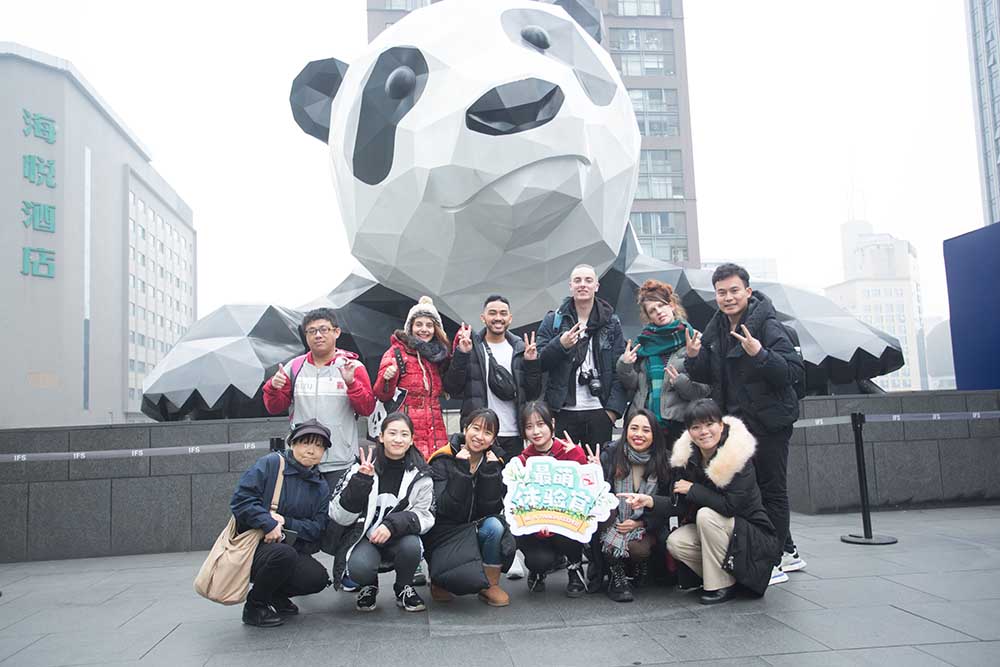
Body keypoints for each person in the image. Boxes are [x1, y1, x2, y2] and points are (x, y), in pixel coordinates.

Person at [683, 263, 806, 584]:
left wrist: (760, 353)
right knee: (747, 492)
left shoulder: (769, 326)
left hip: (768, 424)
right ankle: (786, 550)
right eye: (721, 292)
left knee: (772, 490)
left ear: (748, 292)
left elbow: (793, 372)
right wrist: (693, 357)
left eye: (734, 290)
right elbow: (705, 375)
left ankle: (773, 559)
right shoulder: (715, 329)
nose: (728, 297)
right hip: (734, 428)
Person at [621, 399, 780, 605]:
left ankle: (719, 585)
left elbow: (732, 506)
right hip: (721, 534)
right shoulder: (688, 460)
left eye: (709, 424)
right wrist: (649, 500)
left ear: (721, 425)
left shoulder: (738, 457)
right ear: (689, 432)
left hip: (750, 536)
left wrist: (694, 489)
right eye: (696, 427)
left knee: (706, 515)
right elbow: (679, 505)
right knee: (676, 542)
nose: (704, 432)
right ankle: (732, 579)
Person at [262, 307, 376, 495]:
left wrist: (351, 383)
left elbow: (367, 408)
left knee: (337, 518)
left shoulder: (352, 366)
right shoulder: (295, 366)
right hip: (302, 458)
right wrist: (273, 387)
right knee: (302, 515)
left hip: (341, 459)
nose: (318, 335)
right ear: (306, 336)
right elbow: (275, 407)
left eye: (324, 329)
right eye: (312, 331)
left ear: (336, 332)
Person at [231, 419, 333, 627]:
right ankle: (255, 606)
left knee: (317, 578)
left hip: (290, 547)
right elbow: (241, 500)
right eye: (306, 443)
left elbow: (317, 528)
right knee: (282, 554)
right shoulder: (271, 464)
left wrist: (286, 522)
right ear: (292, 443)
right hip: (254, 546)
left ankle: (274, 595)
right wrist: (268, 523)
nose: (312, 450)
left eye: (319, 446)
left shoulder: (320, 486)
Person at [329, 412, 434, 612]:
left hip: (399, 537)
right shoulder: (360, 467)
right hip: (365, 539)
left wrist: (391, 525)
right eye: (392, 433)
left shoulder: (421, 474)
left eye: (404, 434)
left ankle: (404, 587)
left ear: (412, 440)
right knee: (359, 567)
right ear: (381, 436)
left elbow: (426, 516)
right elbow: (338, 515)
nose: (397, 439)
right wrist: (361, 482)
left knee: (412, 547)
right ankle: (369, 586)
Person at [424, 408, 513, 606]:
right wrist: (461, 470)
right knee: (446, 585)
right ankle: (438, 578)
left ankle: (490, 584)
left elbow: (490, 509)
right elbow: (446, 507)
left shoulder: (494, 462)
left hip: (473, 526)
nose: (480, 437)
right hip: (444, 531)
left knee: (495, 526)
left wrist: (490, 474)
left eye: (488, 433)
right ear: (465, 428)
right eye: (476, 428)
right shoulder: (442, 459)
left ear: (493, 439)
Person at [442, 295, 542, 464]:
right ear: (483, 318)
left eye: (503, 313)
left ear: (510, 318)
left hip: (513, 433)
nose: (498, 318)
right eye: (492, 313)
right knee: (478, 486)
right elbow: (452, 387)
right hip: (479, 436)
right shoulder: (472, 347)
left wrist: (532, 364)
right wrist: (462, 354)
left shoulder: (519, 349)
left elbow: (533, 393)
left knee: (509, 485)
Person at [535, 264, 627, 447]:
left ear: (597, 286)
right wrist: (560, 345)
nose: (582, 285)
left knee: (597, 470)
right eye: (577, 280)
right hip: (562, 410)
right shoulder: (554, 320)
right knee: (564, 470)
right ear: (570, 286)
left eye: (588, 280)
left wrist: (612, 412)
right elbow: (539, 363)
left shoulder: (611, 323)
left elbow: (619, 370)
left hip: (599, 410)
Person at [588, 408, 673, 603]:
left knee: (638, 550)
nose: (639, 435)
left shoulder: (665, 461)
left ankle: (638, 565)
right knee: (605, 515)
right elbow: (598, 498)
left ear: (655, 434)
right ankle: (615, 573)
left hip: (644, 525)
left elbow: (668, 506)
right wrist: (595, 472)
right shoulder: (610, 454)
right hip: (613, 523)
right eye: (634, 428)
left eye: (646, 430)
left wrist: (640, 524)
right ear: (625, 430)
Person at [617, 279, 710, 445]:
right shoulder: (643, 343)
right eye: (652, 310)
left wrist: (680, 382)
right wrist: (625, 365)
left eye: (662, 305)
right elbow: (633, 386)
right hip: (645, 423)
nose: (659, 312)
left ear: (672, 305)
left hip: (679, 424)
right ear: (648, 317)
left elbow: (704, 391)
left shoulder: (694, 339)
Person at [514, 401, 589, 597]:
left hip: (567, 524)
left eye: (541, 424)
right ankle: (539, 570)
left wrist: (584, 461)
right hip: (537, 529)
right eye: (529, 427)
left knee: (574, 525)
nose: (536, 431)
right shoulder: (522, 461)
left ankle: (575, 568)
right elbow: (519, 503)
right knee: (539, 560)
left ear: (552, 424)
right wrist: (536, 526)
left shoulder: (571, 453)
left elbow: (586, 493)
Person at [373, 296, 451, 462]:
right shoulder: (396, 353)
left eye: (429, 325)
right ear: (410, 327)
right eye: (419, 324)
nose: (424, 329)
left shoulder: (439, 356)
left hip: (436, 432)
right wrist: (387, 378)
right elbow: (382, 394)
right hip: (406, 432)